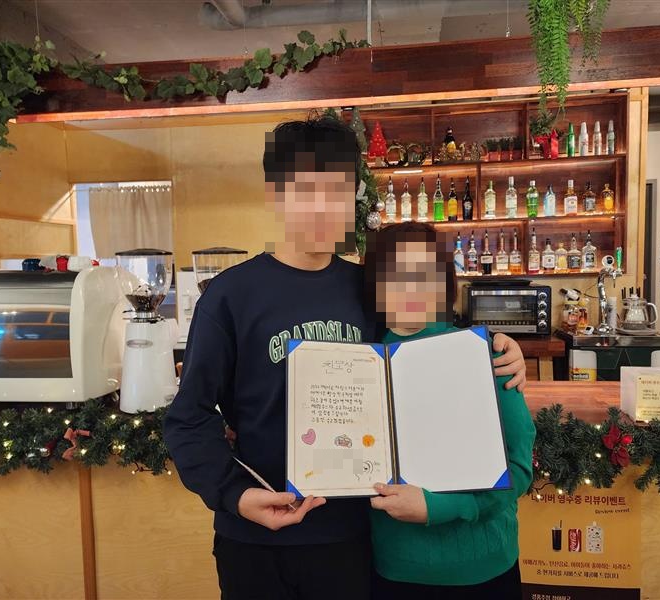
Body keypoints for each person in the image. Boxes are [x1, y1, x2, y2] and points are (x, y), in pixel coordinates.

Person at [163, 115, 528, 600]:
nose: (323, 208)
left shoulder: (370, 289)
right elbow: (189, 418)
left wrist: (497, 348)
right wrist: (236, 494)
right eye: (305, 191)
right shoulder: (229, 296)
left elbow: (429, 351)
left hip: (352, 537)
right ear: (276, 194)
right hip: (253, 540)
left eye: (337, 191)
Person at [363, 221, 536, 599]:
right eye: (394, 275)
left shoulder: (487, 353)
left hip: (483, 567)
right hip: (395, 566)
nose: (410, 288)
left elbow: (520, 468)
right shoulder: (361, 364)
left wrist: (439, 507)